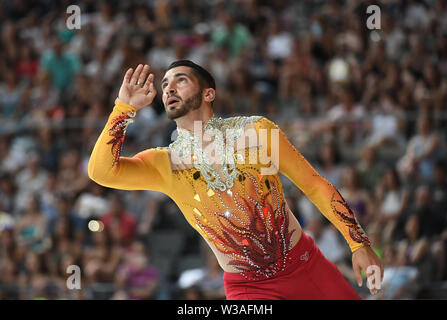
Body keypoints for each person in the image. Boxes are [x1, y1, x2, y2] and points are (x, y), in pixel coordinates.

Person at [88, 60, 383, 300]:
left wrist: (358, 244)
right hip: (248, 290)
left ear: (208, 94)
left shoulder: (257, 132)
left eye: (180, 80)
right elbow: (101, 172)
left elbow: (315, 185)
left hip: (306, 266)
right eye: (164, 84)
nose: (168, 88)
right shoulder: (165, 163)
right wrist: (122, 110)